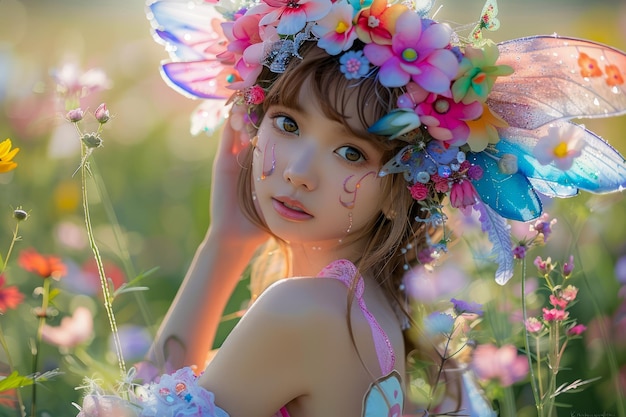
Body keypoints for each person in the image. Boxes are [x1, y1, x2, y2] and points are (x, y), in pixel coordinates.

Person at [76, 0, 626, 415]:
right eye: (287, 123)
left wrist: (222, 245)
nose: (297, 171)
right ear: (251, 124)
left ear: (400, 188)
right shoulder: (412, 322)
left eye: (350, 151)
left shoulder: (306, 310)